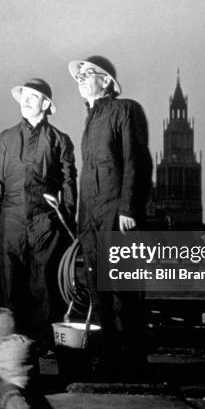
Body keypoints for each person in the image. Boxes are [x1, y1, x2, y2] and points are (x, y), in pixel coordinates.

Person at [68, 55, 153, 371]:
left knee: (120, 287)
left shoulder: (125, 109)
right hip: (90, 214)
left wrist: (128, 207)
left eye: (88, 73)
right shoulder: (90, 118)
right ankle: (110, 354)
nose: (81, 78)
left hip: (116, 212)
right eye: (79, 75)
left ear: (107, 81)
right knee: (98, 286)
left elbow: (137, 161)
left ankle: (130, 360)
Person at [0, 78, 77, 352]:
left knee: (46, 282)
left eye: (33, 97)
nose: (26, 101)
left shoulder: (60, 140)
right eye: (24, 96)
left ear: (46, 105)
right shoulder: (6, 137)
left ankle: (46, 342)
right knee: (13, 281)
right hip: (11, 216)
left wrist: (67, 221)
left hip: (45, 220)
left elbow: (69, 183)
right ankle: (17, 342)